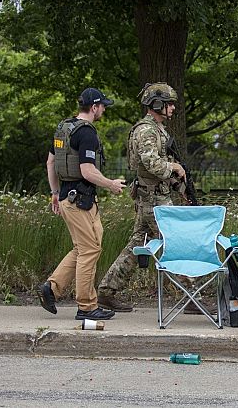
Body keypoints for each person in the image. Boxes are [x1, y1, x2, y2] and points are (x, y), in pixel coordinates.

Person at [96, 82, 188, 312]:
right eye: (169, 104)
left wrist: (179, 186)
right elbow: (152, 164)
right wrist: (174, 167)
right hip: (153, 199)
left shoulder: (156, 129)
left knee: (139, 244)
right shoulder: (147, 130)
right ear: (156, 104)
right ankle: (191, 295)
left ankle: (107, 291)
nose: (173, 108)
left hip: (154, 195)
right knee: (173, 242)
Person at [37, 88, 126, 321]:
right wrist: (111, 184)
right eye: (102, 106)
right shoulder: (86, 133)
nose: (104, 109)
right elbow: (87, 171)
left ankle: (52, 288)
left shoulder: (64, 128)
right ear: (94, 107)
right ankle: (86, 307)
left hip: (68, 197)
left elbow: (51, 162)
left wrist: (55, 192)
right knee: (90, 250)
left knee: (85, 246)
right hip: (81, 201)